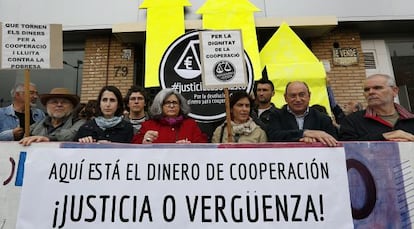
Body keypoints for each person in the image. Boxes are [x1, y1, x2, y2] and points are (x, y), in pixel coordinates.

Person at [339, 74, 414, 141]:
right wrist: (383, 137)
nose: (371, 92)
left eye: (377, 88)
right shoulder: (352, 121)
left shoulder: (411, 119)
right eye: (366, 89)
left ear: (394, 91)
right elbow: (347, 148)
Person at [266, 81, 338, 147]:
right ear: (285, 98)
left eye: (301, 95)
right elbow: (274, 137)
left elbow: (333, 141)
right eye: (293, 96)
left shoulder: (323, 118)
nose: (298, 99)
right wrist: (304, 133)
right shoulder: (276, 116)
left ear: (309, 96)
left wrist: (314, 141)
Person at [131, 88, 207, 144]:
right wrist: (144, 141)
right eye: (167, 102)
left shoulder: (190, 124)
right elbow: (133, 147)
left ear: (180, 105)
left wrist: (190, 146)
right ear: (160, 105)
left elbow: (203, 145)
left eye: (175, 102)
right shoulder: (148, 125)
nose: (171, 106)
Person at [19, 88, 85, 146]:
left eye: (64, 102)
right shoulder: (34, 127)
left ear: (72, 107)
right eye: (54, 102)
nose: (59, 105)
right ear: (46, 106)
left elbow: (71, 135)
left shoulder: (80, 123)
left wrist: (48, 138)